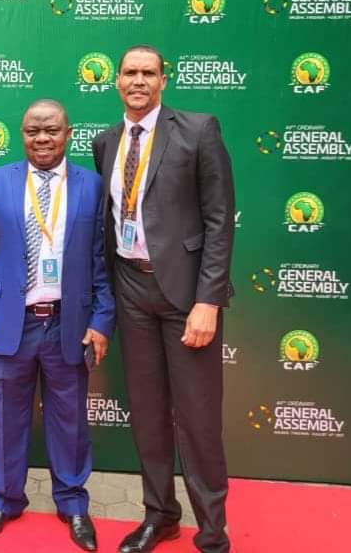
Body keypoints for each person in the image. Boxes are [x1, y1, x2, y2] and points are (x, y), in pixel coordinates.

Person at [92, 45, 235, 553]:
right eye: (129, 72)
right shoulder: (106, 142)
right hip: (131, 289)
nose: (138, 81)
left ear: (163, 80)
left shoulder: (198, 131)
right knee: (148, 414)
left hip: (185, 296)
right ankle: (161, 515)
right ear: (115, 81)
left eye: (148, 73)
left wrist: (208, 301)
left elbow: (220, 221)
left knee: (197, 418)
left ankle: (213, 532)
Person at [0, 100, 115, 550]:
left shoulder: (92, 186)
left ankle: (73, 504)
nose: (42, 139)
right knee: (7, 419)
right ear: (21, 134)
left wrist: (102, 320)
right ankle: (5, 501)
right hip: (12, 324)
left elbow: (101, 264)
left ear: (68, 133)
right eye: (33, 131)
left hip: (68, 324)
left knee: (70, 423)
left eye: (51, 131)